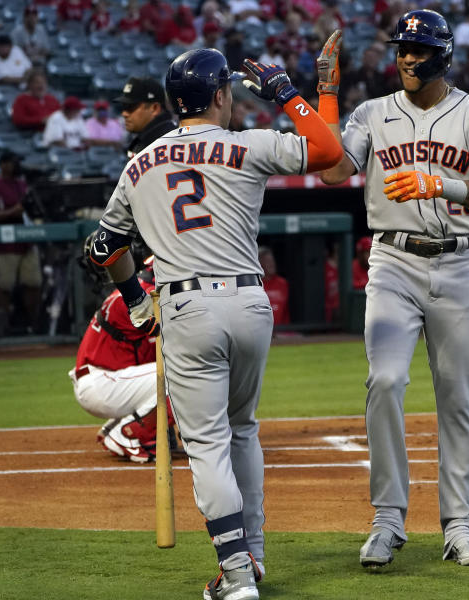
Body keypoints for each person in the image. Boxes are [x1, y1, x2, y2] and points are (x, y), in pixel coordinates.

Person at [89, 47, 342, 600]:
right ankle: (252, 553)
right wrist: (283, 91)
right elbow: (329, 150)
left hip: (186, 306)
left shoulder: (138, 165)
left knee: (207, 444)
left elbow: (104, 245)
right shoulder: (248, 145)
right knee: (244, 428)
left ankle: (236, 577)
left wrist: (136, 302)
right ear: (222, 95)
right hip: (252, 304)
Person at [315, 12, 469, 569]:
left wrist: (440, 183)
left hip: (456, 264)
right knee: (384, 380)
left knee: (458, 399)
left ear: (443, 55)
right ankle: (387, 519)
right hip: (393, 261)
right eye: (402, 48)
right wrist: (326, 95)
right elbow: (332, 170)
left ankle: (458, 526)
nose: (406, 57)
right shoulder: (373, 112)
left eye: (418, 49)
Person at [72, 239, 174, 462]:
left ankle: (120, 426)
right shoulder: (139, 300)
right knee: (183, 375)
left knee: (180, 368)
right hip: (103, 383)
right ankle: (127, 433)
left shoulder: (137, 293)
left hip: (108, 380)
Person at [0, 151, 43, 331]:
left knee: (33, 282)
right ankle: (4, 324)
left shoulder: (23, 185)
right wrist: (11, 212)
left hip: (27, 241)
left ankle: (31, 323)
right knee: (4, 285)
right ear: (3, 165)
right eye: (13, 163)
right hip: (5, 244)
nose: (17, 167)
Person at [113, 76, 176, 158]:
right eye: (124, 106)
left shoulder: (167, 142)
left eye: (131, 107)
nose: (124, 113)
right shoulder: (147, 139)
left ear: (155, 108)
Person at [258, 246, 289, 326]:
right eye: (267, 261)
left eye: (272, 261)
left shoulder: (283, 283)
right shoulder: (256, 284)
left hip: (283, 332)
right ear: (259, 264)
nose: (272, 264)